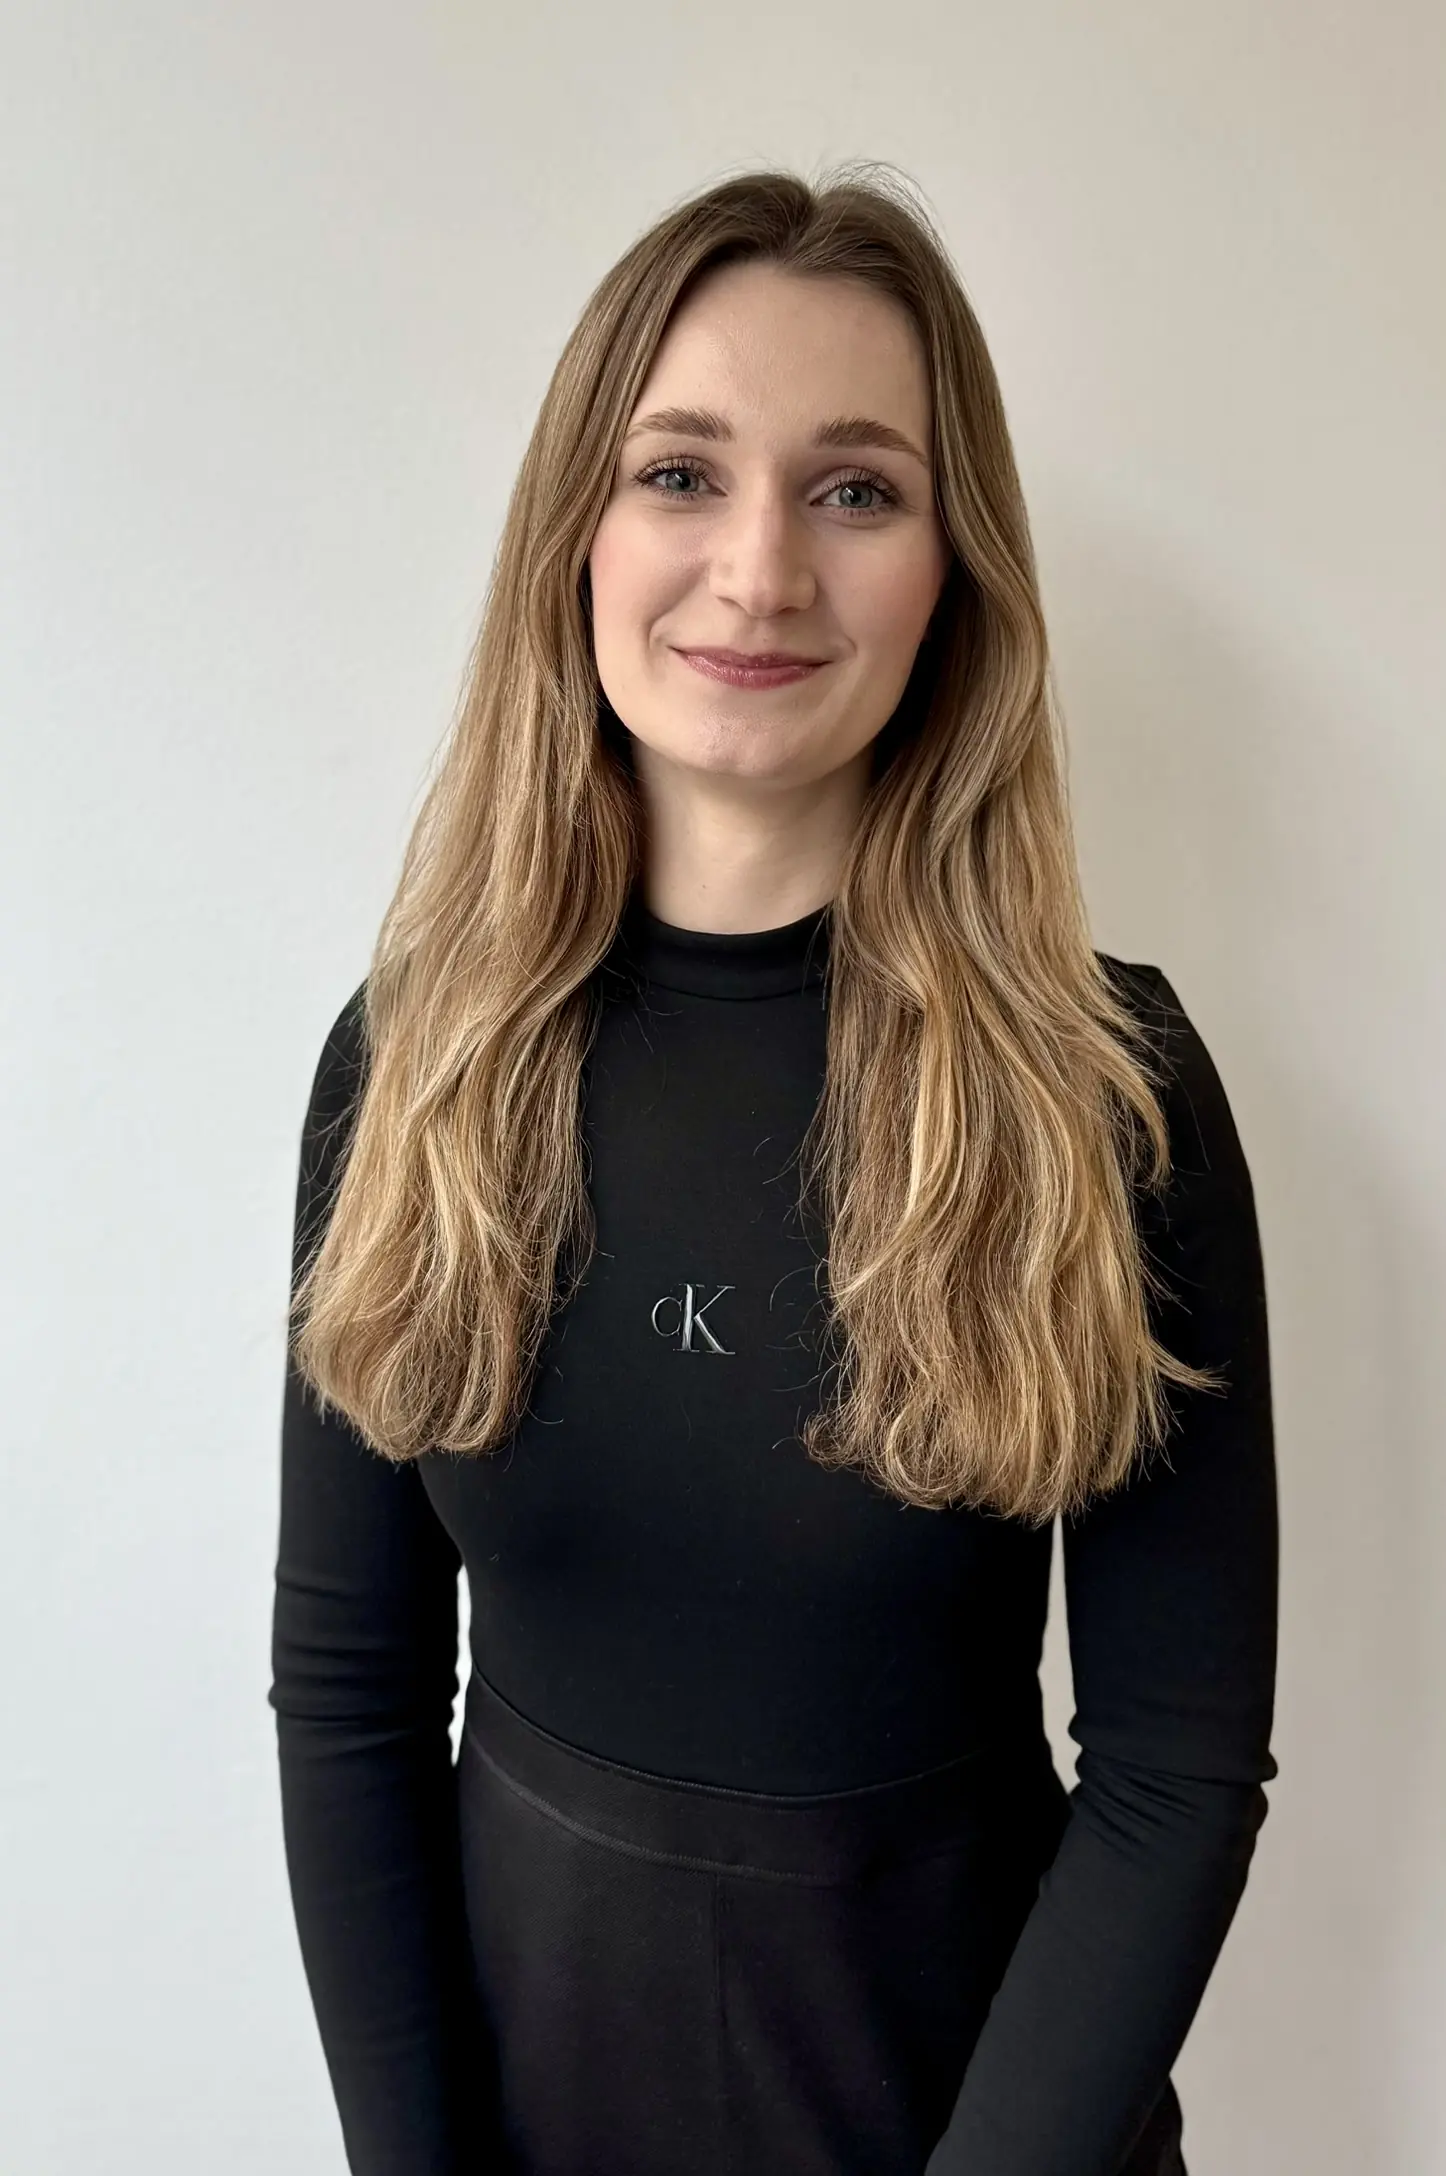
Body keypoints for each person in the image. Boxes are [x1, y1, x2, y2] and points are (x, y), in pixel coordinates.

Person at [269, 162, 1278, 2176]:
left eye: (855, 488)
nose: (759, 571)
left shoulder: (1110, 1094)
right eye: (679, 473)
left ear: (952, 572)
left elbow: (1171, 1774)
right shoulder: (414, 1065)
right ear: (575, 532)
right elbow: (350, 1691)